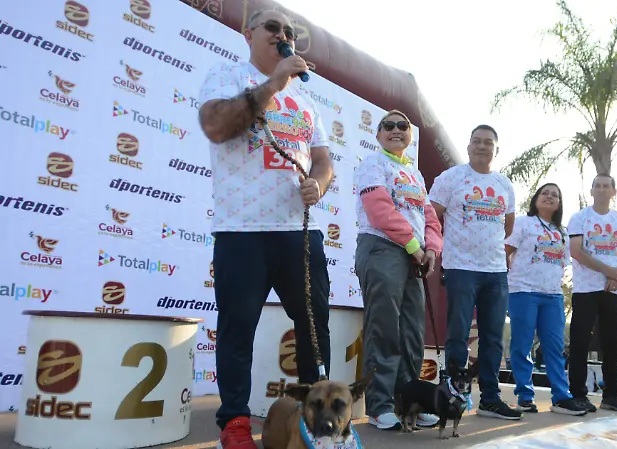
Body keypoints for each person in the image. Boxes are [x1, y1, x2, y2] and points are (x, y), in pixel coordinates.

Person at [197, 9, 333, 449]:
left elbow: (324, 160)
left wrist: (320, 183)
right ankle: (235, 424)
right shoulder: (226, 76)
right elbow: (216, 126)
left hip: (299, 231)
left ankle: (320, 420)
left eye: (289, 31)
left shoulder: (309, 104)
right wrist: (274, 83)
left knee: (314, 327)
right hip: (242, 230)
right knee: (238, 328)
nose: (282, 35)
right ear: (248, 33)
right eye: (273, 27)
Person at [353, 109, 443, 430]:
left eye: (402, 126)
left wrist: (431, 249)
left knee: (412, 335)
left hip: (413, 256)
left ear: (410, 135)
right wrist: (414, 246)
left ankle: (410, 404)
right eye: (387, 125)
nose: (395, 130)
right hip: (382, 249)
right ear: (378, 134)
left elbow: (430, 219)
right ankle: (379, 406)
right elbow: (379, 210)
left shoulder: (415, 175)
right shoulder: (372, 164)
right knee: (385, 330)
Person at [429, 125, 522, 420]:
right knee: (457, 334)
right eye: (477, 142)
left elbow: (508, 226)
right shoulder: (451, 178)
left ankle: (491, 399)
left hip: (495, 271)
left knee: (493, 337)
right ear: (468, 146)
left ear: (496, 150)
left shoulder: (504, 185)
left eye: (488, 143)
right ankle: (454, 396)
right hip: (461, 267)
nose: (482, 147)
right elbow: (432, 216)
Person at [505, 183, 587, 416]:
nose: (549, 197)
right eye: (545, 193)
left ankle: (561, 397)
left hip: (552, 295)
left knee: (555, 347)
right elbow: (505, 251)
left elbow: (569, 262)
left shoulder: (563, 232)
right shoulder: (523, 223)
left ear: (559, 203)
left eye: (555, 195)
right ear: (536, 199)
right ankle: (525, 396)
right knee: (522, 345)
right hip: (523, 291)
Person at [566, 173, 617, 414]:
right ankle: (577, 394)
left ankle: (613, 395)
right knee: (580, 342)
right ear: (592, 190)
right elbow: (577, 251)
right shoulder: (580, 218)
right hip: (586, 288)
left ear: (613, 192)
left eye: (607, 186)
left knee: (613, 344)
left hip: (615, 291)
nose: (602, 189)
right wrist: (610, 272)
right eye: (598, 185)